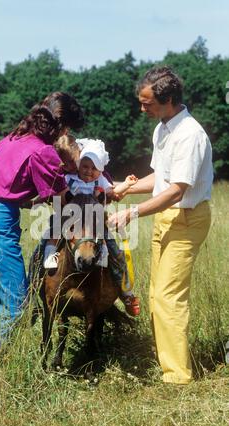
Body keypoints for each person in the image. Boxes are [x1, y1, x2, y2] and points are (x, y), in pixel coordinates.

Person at [109, 66, 213, 384]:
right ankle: (168, 363)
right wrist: (124, 187)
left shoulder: (190, 135)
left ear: (167, 100)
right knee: (157, 295)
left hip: (185, 219)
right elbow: (161, 179)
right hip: (166, 217)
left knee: (169, 297)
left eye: (147, 102)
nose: (142, 109)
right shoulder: (163, 128)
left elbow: (175, 191)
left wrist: (131, 213)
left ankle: (178, 377)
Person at [0, 91, 84, 363]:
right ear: (62, 126)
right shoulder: (43, 152)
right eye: (68, 128)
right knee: (17, 304)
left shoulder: (11, 140)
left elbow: (10, 190)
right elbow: (63, 205)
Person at [43, 135, 140, 316]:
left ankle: (126, 292)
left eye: (94, 168)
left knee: (116, 253)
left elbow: (112, 192)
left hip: (94, 222)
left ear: (101, 170)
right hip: (70, 219)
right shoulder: (70, 178)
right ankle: (40, 274)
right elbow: (57, 193)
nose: (88, 171)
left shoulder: (101, 181)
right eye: (85, 166)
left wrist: (126, 184)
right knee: (49, 235)